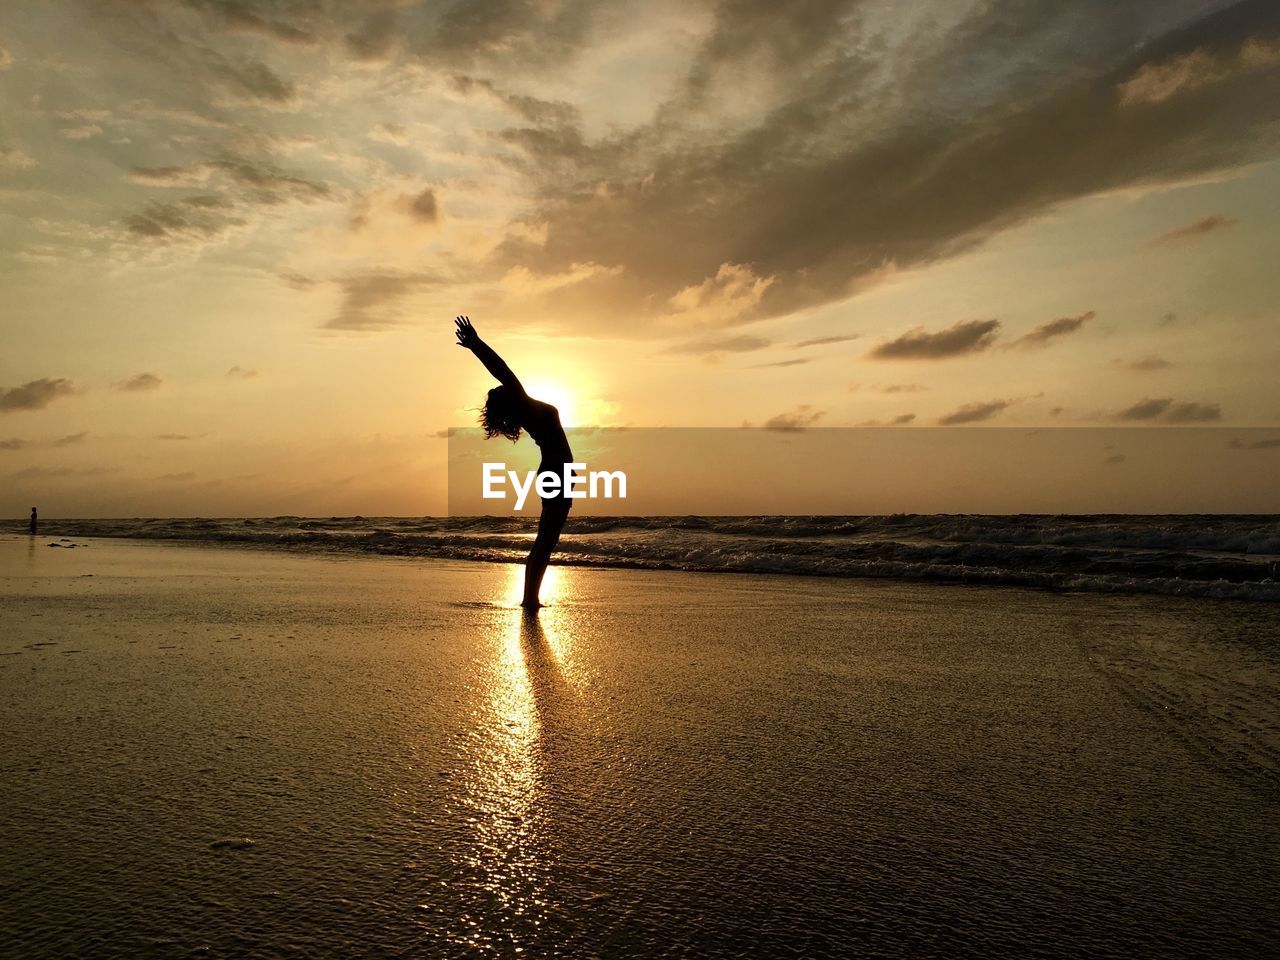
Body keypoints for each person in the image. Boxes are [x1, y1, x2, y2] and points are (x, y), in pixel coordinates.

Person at [455, 316, 573, 609]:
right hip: (556, 472)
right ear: (509, 399)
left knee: (545, 540)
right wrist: (476, 344)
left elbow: (502, 374)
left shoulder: (524, 408)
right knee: (546, 540)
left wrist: (475, 345)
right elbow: (501, 368)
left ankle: (530, 598)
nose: (501, 386)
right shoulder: (524, 403)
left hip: (555, 471)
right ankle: (529, 600)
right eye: (500, 390)